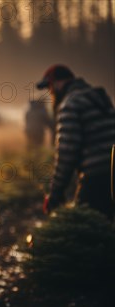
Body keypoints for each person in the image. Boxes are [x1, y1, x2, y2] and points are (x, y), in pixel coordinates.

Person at [37, 64, 115, 220]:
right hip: (113, 170)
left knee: (85, 224)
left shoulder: (70, 105)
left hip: (95, 178)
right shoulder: (99, 97)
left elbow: (66, 155)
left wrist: (55, 194)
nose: (50, 92)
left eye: (50, 87)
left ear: (58, 83)